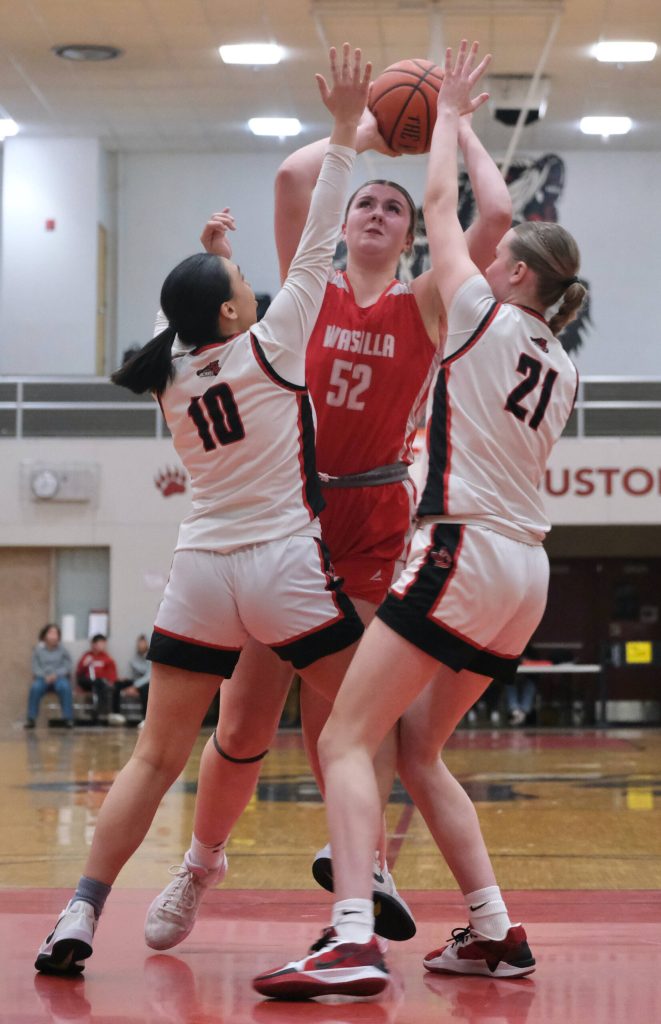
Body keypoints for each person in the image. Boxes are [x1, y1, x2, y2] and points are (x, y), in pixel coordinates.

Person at [142, 56, 513, 953]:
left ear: (411, 237)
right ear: (340, 225)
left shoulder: (427, 302)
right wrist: (366, 131)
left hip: (376, 522)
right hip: (289, 520)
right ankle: (200, 865)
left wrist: (453, 124)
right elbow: (290, 175)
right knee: (241, 726)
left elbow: (493, 217)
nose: (380, 211)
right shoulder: (303, 291)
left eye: (394, 206)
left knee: (348, 716)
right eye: (365, 203)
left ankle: (365, 871)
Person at [254, 39, 586, 999]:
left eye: (505, 256)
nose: (485, 257)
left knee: (344, 739)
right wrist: (462, 127)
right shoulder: (558, 364)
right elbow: (497, 215)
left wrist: (445, 118)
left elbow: (453, 210)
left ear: (513, 278)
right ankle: (494, 931)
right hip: (526, 573)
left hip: (460, 545)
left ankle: (351, 935)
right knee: (419, 747)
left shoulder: (474, 309)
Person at [34, 43, 371, 977]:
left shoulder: (167, 374)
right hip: (279, 566)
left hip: (200, 574)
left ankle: (77, 916)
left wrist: (213, 261)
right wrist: (344, 130)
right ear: (231, 315)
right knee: (366, 719)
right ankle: (362, 887)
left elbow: (176, 321)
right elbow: (319, 239)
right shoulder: (272, 345)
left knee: (151, 758)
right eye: (238, 290)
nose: (253, 290)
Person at [25, 624, 74, 729]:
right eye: (51, 633)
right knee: (35, 687)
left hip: (59, 677)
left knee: (65, 687)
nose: (53, 636)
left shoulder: (63, 650)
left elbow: (67, 665)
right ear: (45, 636)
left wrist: (56, 675)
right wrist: (44, 676)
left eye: (56, 633)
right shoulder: (38, 650)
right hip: (43, 678)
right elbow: (35, 666)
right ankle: (31, 718)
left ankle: (68, 718)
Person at [75, 634, 122, 725]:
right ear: (94, 644)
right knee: (99, 684)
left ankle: (100, 715)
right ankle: (99, 715)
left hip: (101, 684)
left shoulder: (107, 658)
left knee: (102, 685)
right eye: (100, 643)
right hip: (87, 682)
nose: (102, 646)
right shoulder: (87, 656)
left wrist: (110, 682)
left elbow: (112, 674)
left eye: (103, 644)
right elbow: (78, 673)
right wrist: (84, 665)